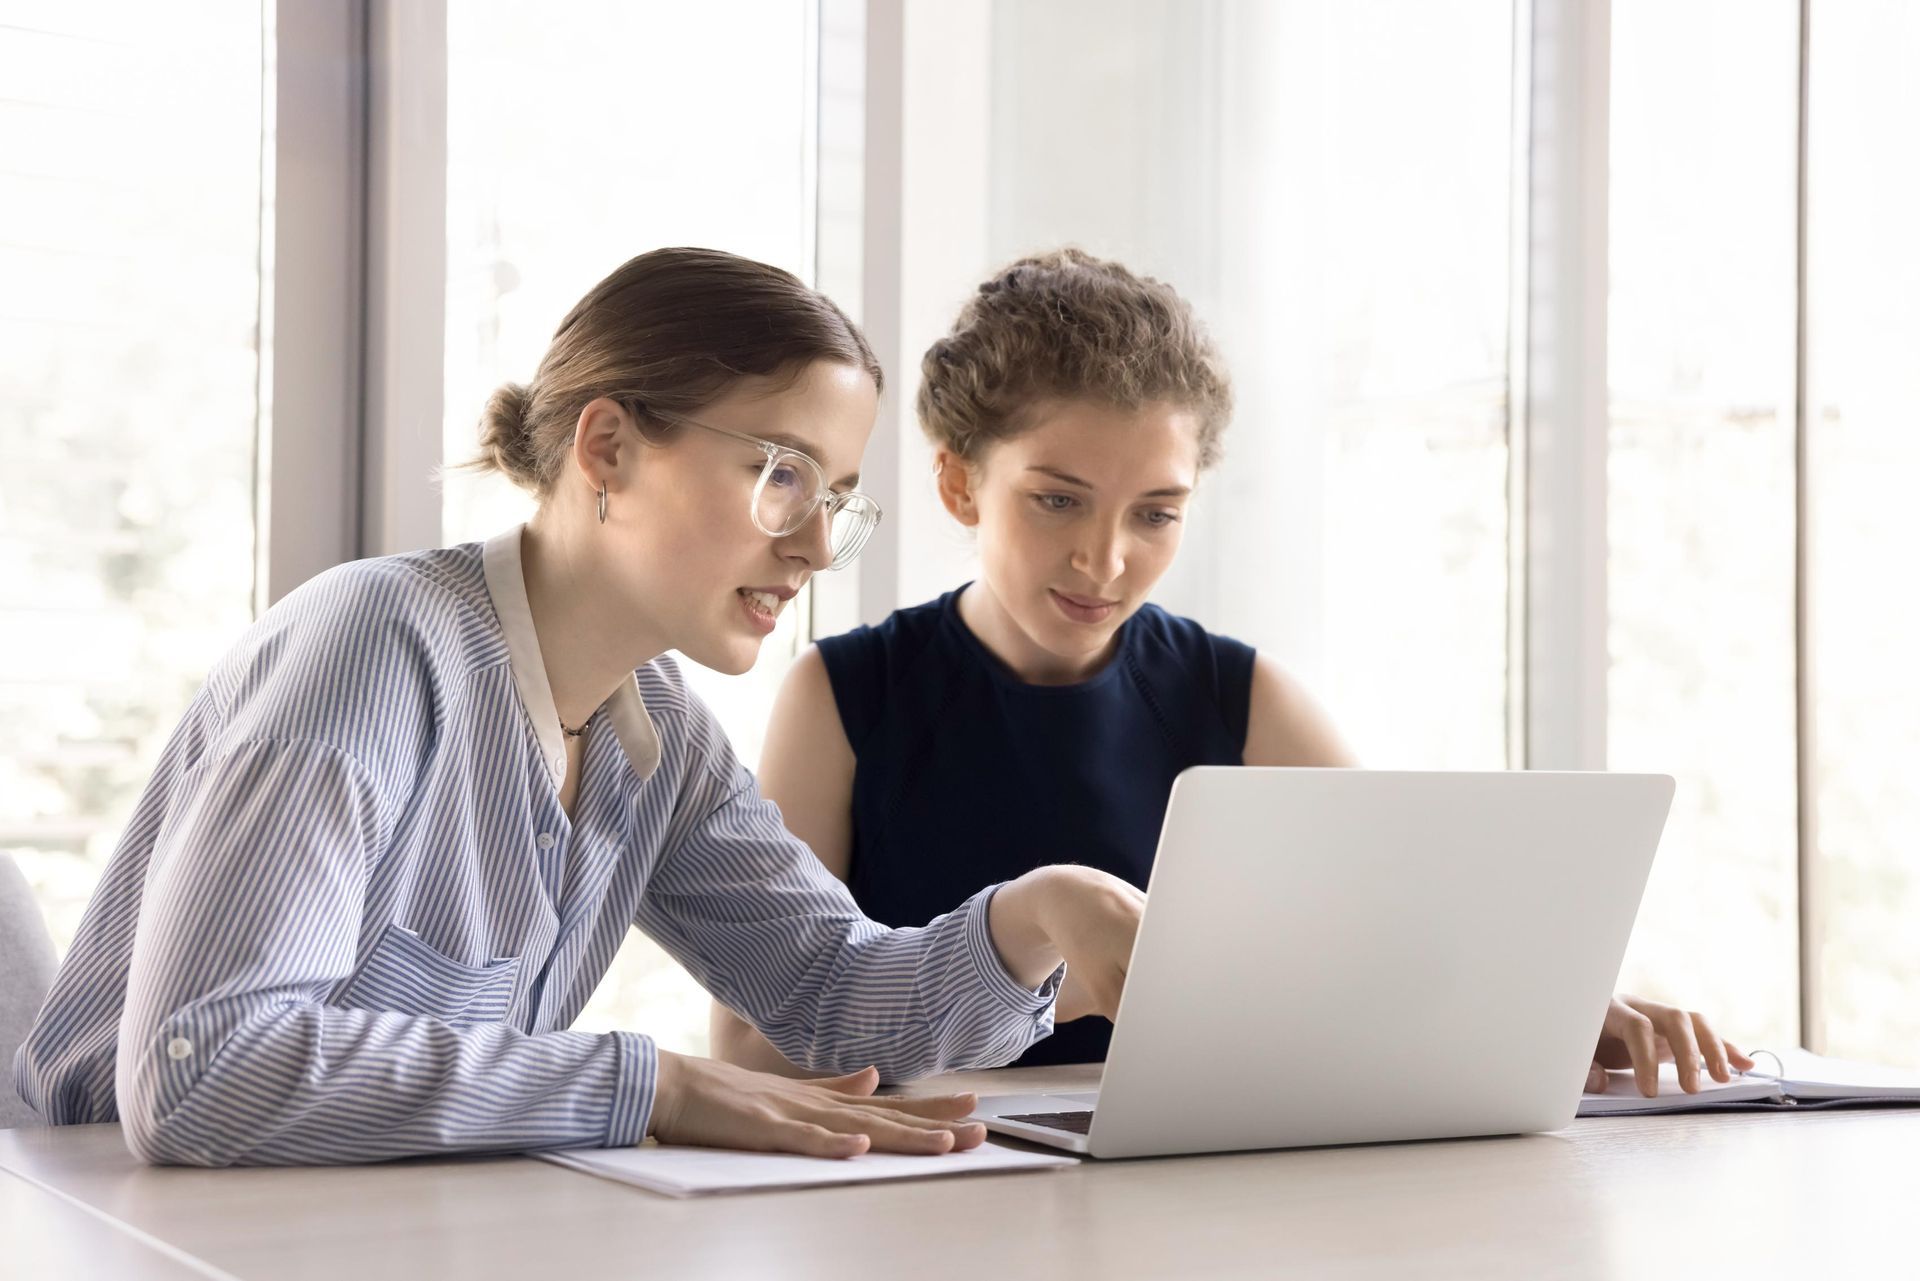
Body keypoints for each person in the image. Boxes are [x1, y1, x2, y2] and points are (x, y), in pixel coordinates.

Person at [13, 247, 1147, 1167]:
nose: (811, 546)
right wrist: (644, 1084)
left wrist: (1042, 915)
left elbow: (831, 995)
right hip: (121, 1232)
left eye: (837, 500)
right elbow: (205, 1071)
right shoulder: (369, 651)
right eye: (783, 474)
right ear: (607, 447)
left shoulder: (655, 730)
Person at [711, 248, 1752, 1098]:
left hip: (1189, 1183)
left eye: (1156, 513)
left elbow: (1423, 925)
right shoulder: (845, 698)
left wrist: (1569, 1001)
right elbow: (755, 1051)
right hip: (920, 1188)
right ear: (958, 481)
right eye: (1058, 500)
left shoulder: (1240, 696)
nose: (1106, 560)